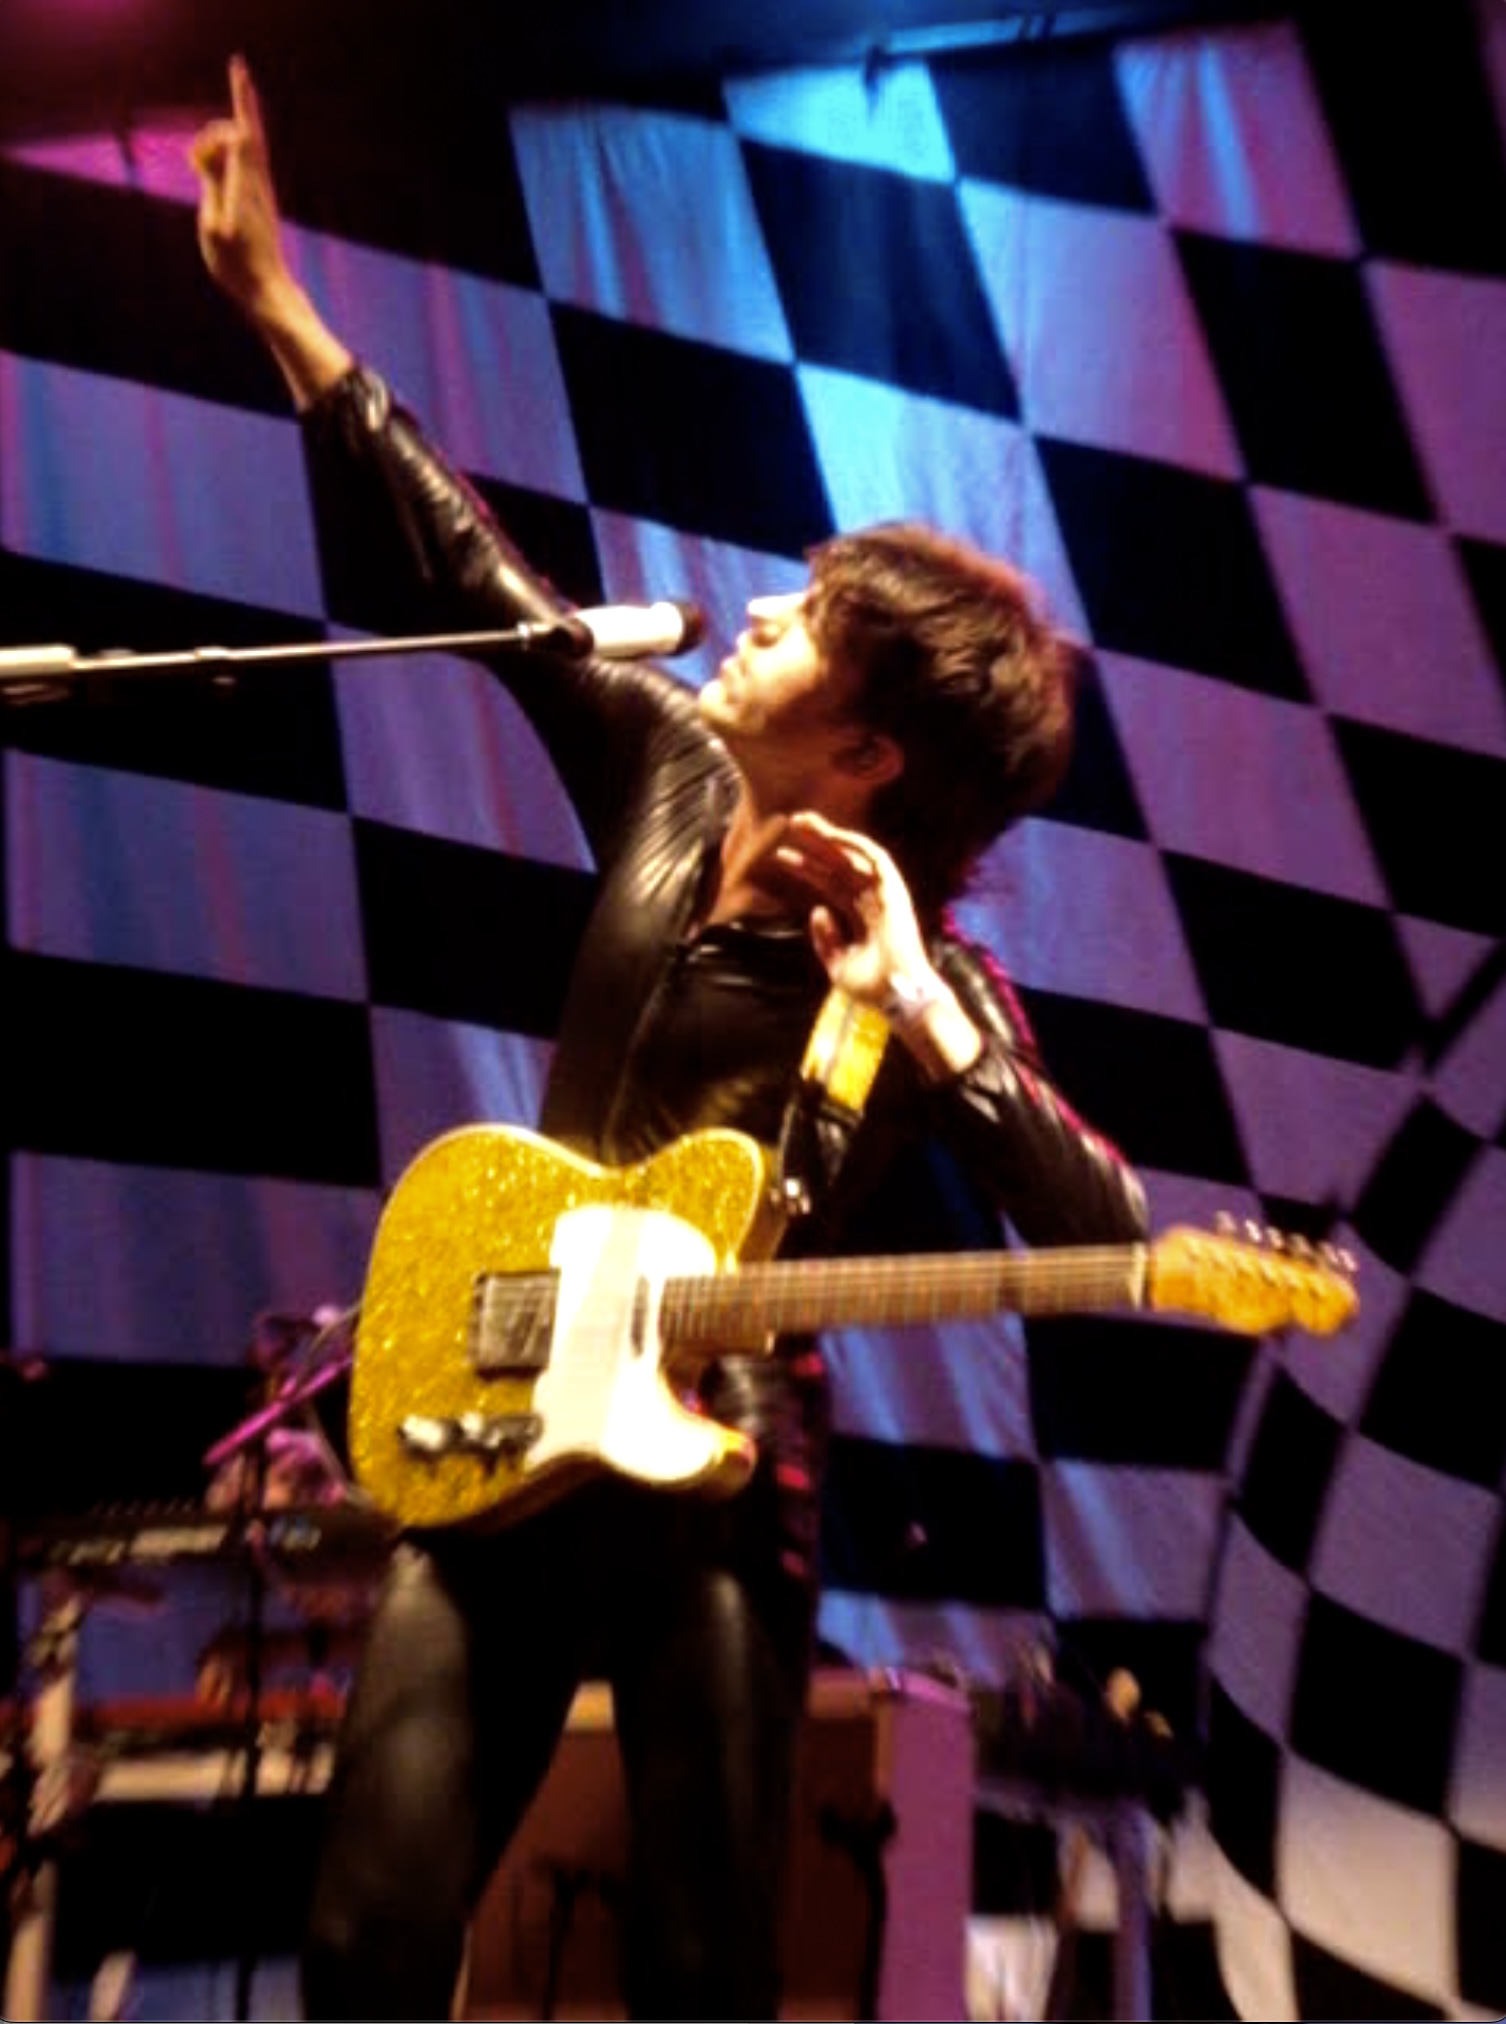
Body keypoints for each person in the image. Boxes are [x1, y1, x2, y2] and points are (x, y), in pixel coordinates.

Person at [191, 55, 1150, 2023]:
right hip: (492, 1423)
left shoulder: (922, 979)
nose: (751, 618)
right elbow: (469, 573)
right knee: (365, 1943)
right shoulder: (664, 776)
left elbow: (1105, 1227)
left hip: (710, 1490)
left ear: (868, 753)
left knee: (703, 1971)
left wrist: (917, 1014)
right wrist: (279, 304)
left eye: (802, 623)